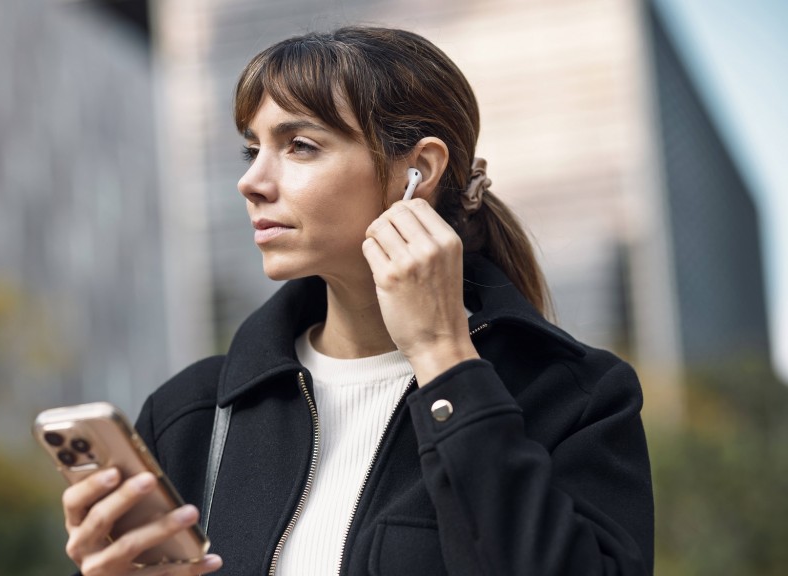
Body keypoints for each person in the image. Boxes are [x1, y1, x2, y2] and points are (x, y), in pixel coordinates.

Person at [60, 26, 654, 575]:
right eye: (253, 150)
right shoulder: (191, 415)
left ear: (416, 172)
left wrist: (445, 359)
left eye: (299, 146)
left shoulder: (575, 398)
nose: (252, 181)